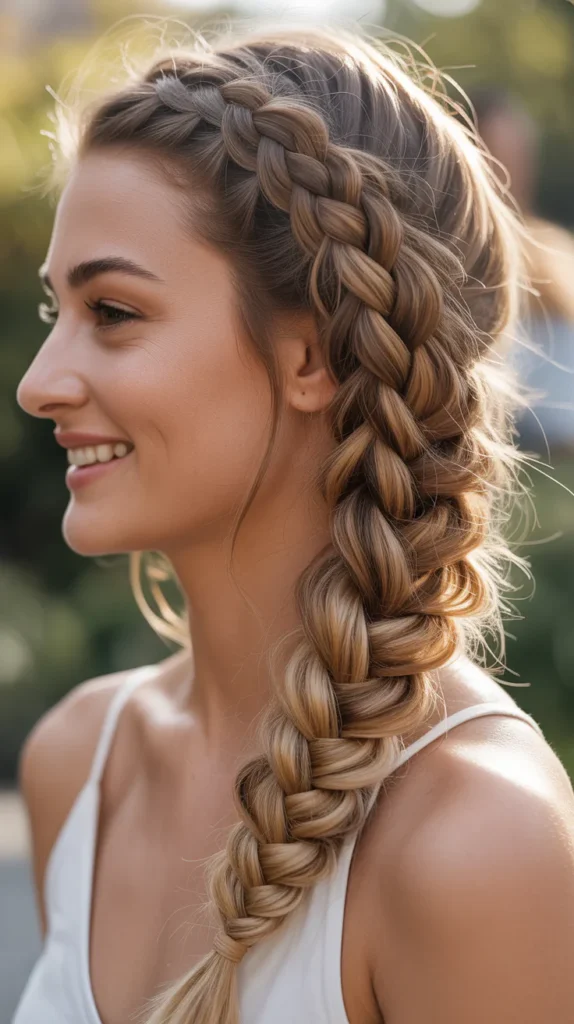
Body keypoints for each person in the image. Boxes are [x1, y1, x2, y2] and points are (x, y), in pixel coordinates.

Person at [12, 22, 574, 1024]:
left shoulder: (475, 840)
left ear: (312, 356)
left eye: (116, 312)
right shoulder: (79, 763)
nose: (39, 383)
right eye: (57, 312)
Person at [471, 85, 574, 458]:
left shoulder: (551, 243)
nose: (515, 166)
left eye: (520, 149)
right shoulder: (465, 257)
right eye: (502, 151)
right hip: (536, 433)